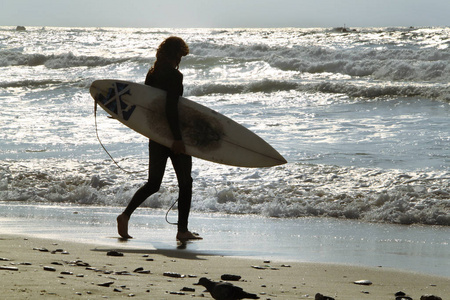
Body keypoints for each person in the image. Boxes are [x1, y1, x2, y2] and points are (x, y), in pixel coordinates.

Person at [116, 37, 202, 242]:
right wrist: (177, 139)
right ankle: (182, 230)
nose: (180, 60)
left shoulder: (152, 73)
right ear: (175, 55)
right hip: (172, 136)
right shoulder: (175, 76)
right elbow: (170, 109)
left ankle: (125, 215)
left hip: (155, 134)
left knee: (154, 183)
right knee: (186, 182)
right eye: (180, 56)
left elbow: (146, 107)